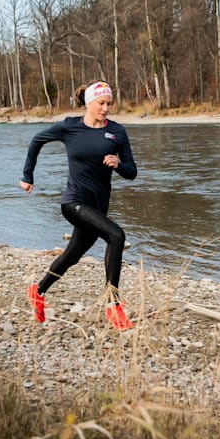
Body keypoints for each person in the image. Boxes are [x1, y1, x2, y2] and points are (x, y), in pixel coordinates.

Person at [20, 80, 138, 330]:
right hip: (73, 202)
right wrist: (28, 176)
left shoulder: (117, 132)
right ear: (88, 103)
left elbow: (132, 172)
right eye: (101, 103)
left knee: (72, 255)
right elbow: (36, 141)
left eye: (109, 103)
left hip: (98, 207)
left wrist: (118, 164)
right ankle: (113, 306)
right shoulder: (69, 127)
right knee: (116, 236)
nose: (106, 108)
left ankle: (38, 291)